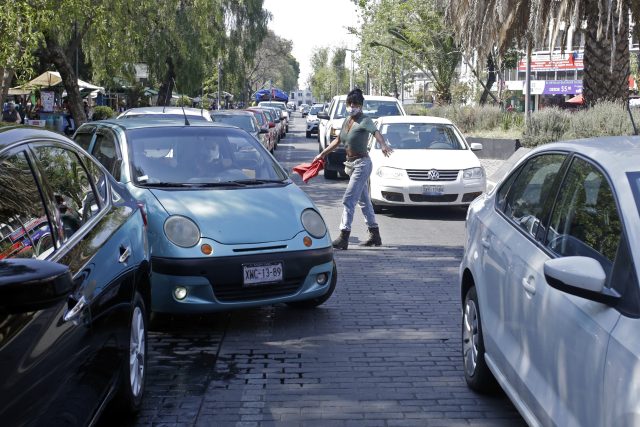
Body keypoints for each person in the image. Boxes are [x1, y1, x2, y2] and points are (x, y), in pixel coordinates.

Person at [314, 88, 393, 250]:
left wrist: (383, 144)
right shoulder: (346, 121)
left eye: (355, 104)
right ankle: (375, 235)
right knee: (364, 201)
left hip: (362, 164)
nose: (352, 106)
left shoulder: (365, 120)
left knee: (348, 199)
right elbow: (337, 141)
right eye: (349, 103)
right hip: (351, 165)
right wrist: (322, 154)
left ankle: (344, 236)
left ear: (361, 106)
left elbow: (376, 133)